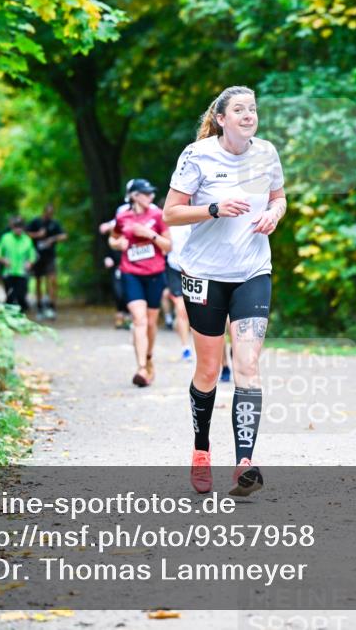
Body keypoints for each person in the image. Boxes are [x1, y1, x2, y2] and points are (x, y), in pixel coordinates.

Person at [163, 85, 286, 497]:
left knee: (247, 364)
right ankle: (201, 450)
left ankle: (244, 464)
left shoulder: (266, 153)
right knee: (209, 370)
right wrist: (213, 209)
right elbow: (171, 213)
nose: (249, 114)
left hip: (253, 271)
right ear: (221, 119)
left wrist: (273, 214)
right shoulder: (197, 155)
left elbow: (279, 198)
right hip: (205, 274)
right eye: (239, 109)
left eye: (252, 108)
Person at [110, 179, 172, 387]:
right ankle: (141, 368)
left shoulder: (158, 215)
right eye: (146, 193)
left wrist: (150, 235)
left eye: (152, 193)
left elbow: (168, 246)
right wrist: (118, 243)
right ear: (134, 196)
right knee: (139, 320)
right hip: (131, 273)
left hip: (154, 274)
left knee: (151, 323)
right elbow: (113, 238)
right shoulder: (122, 217)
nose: (151, 197)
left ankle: (148, 357)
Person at [27, 203, 68, 320]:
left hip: (50, 256)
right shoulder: (36, 222)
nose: (49, 215)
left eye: (51, 213)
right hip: (37, 256)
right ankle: (40, 306)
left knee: (52, 280)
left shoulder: (54, 223)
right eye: (48, 213)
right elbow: (25, 234)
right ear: (44, 212)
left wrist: (53, 239)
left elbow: (64, 236)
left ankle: (51, 306)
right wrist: (37, 235)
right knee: (38, 281)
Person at [164, 222, 194, 360]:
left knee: (192, 311)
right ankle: (185, 347)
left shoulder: (195, 217)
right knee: (181, 310)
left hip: (193, 269)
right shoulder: (167, 220)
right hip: (174, 269)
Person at [0, 216, 37, 314]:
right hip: (9, 272)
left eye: (20, 226)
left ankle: (21, 315)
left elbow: (32, 256)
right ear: (12, 227)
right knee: (10, 296)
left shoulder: (27, 239)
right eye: (16, 226)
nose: (18, 229)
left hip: (22, 273)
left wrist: (29, 263)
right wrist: (3, 260)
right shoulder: (5, 238)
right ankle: (9, 316)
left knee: (21, 296)